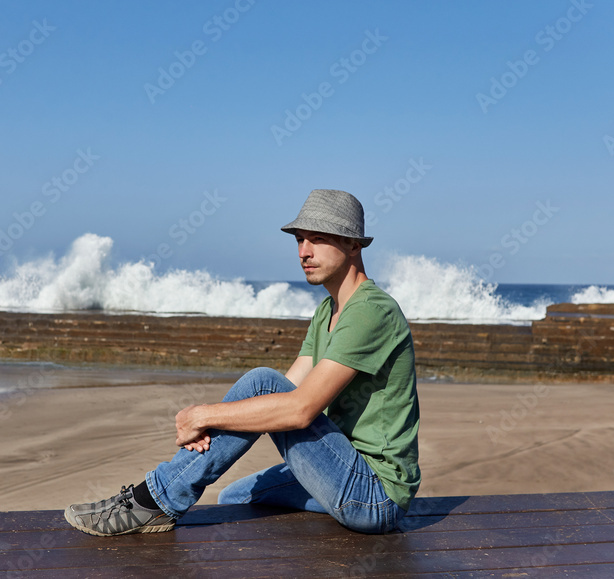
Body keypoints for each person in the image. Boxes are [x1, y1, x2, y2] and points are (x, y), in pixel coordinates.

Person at [64, 189, 420, 536]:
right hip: (341, 467)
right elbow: (289, 390)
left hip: (375, 494)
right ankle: (162, 495)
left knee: (262, 381)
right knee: (235, 495)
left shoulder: (371, 311)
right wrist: (212, 425)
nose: (304, 252)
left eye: (317, 239)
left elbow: (299, 409)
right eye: (299, 240)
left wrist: (202, 416)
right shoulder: (328, 310)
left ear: (354, 244)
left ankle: (151, 499)